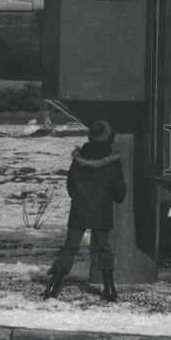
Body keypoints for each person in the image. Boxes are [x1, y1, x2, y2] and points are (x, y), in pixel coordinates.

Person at [43, 120, 127, 301]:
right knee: (103, 249)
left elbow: (70, 185)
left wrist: (80, 198)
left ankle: (52, 288)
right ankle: (110, 290)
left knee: (69, 248)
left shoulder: (78, 159)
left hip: (79, 209)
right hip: (102, 209)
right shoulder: (113, 162)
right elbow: (119, 193)